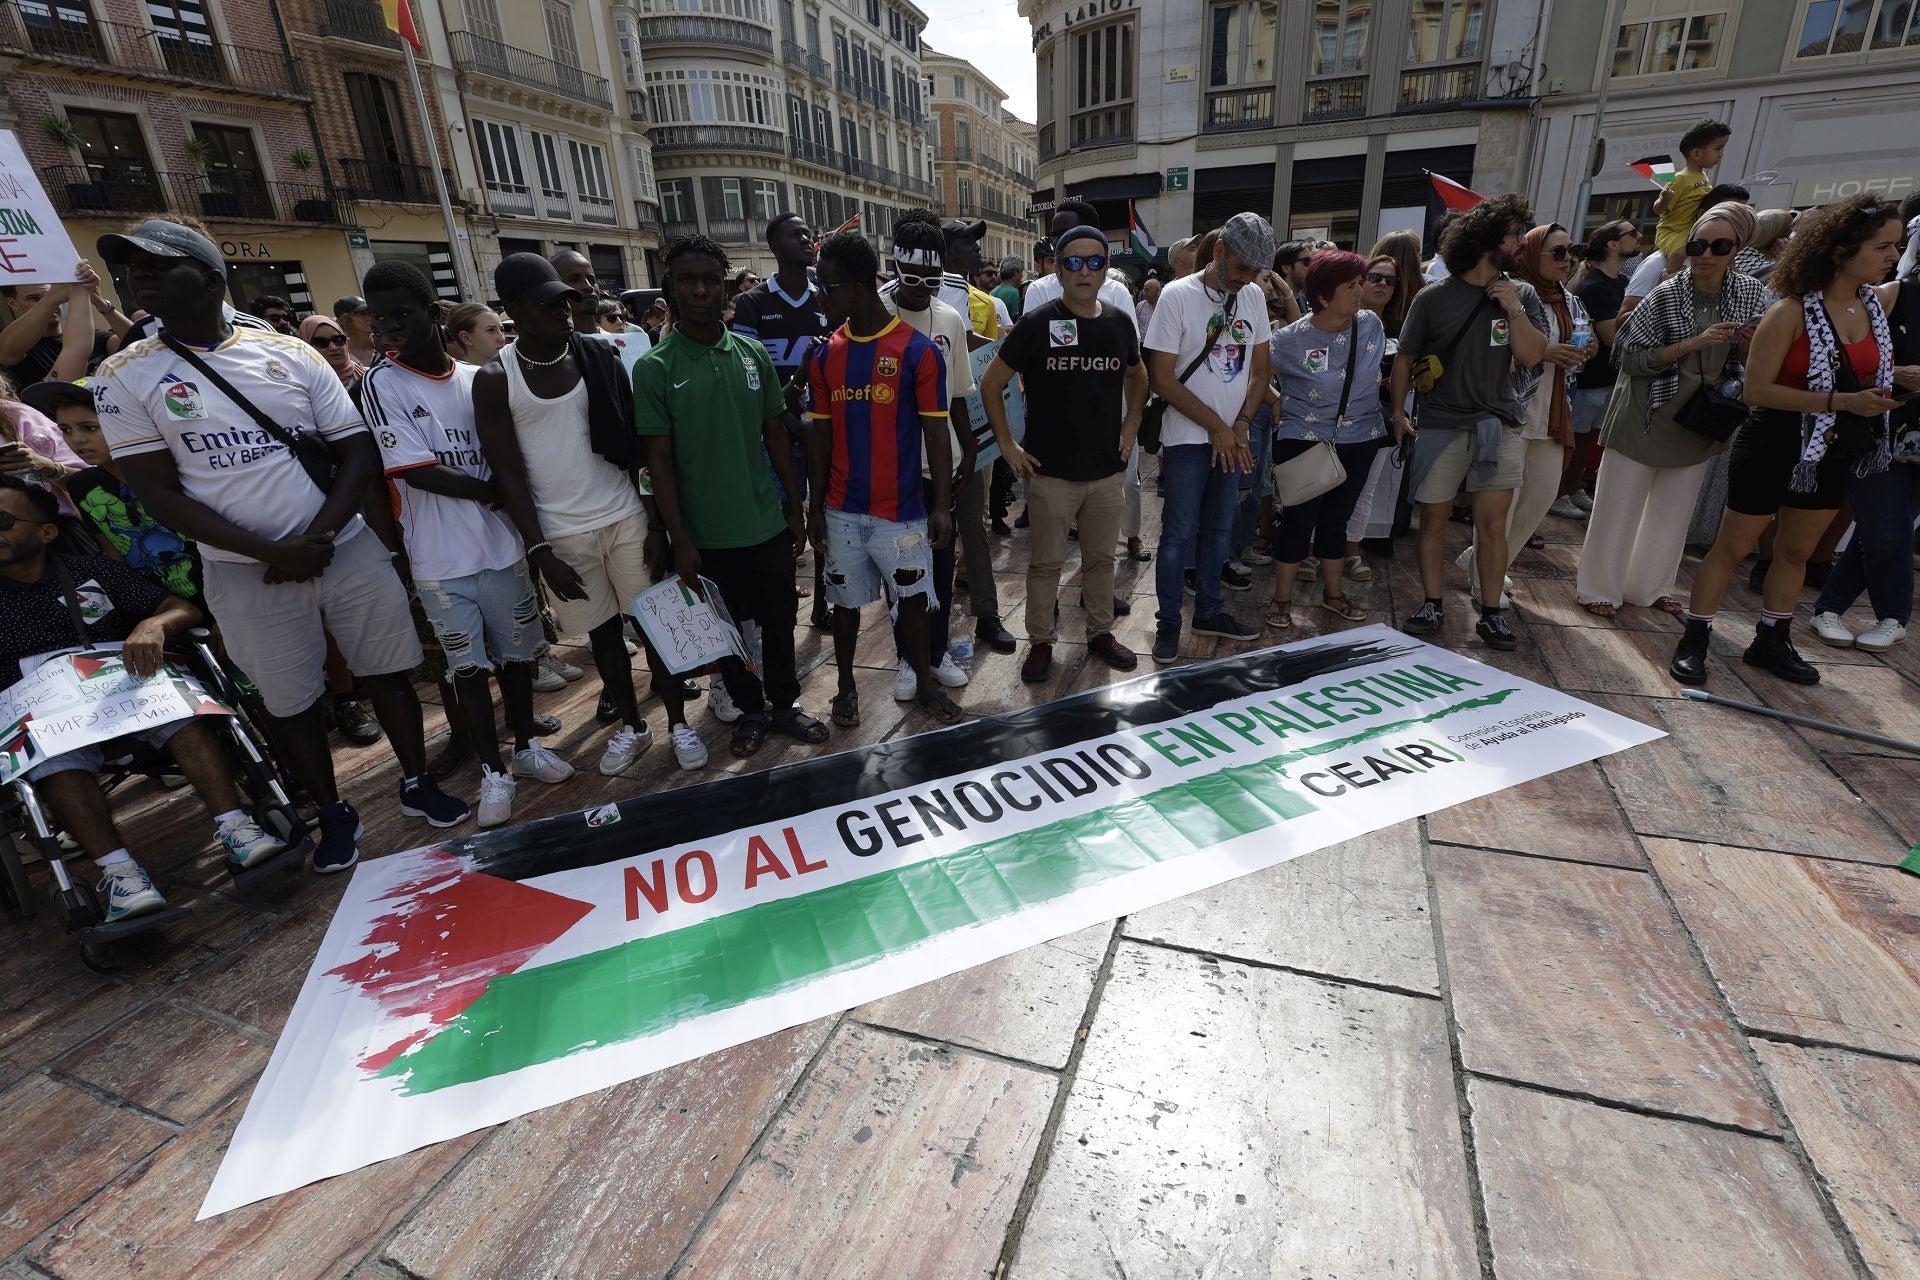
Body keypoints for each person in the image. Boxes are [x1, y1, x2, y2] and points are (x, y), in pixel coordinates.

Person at [94, 220, 465, 874]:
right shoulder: (124, 375)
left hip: (342, 548)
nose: (140, 276)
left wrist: (317, 537)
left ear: (211, 277)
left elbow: (355, 452)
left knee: (389, 673)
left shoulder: (289, 355)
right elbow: (159, 493)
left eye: (158, 264)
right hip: (245, 573)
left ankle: (417, 781)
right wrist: (271, 552)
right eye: (132, 269)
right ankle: (331, 812)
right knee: (289, 701)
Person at [0, 477, 289, 920]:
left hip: (121, 683)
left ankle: (237, 827)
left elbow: (182, 608)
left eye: (4, 520)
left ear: (46, 532)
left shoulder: (92, 573)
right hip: (40, 705)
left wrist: (153, 625)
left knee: (182, 714)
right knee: (54, 763)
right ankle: (121, 875)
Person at [360, 261, 574, 829]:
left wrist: (512, 502)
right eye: (378, 317)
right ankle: (492, 771)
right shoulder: (382, 383)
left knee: (518, 660)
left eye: (401, 314)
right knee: (468, 673)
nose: (388, 327)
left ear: (433, 315)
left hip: (502, 551)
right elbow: (414, 469)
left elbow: (510, 451)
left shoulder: (477, 377)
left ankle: (524, 748)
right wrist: (494, 491)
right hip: (440, 562)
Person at [1670, 194, 1905, 685]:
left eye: (1897, 246)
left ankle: (1772, 639)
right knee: (1733, 549)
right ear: (1842, 250)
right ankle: (1696, 638)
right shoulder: (1790, 310)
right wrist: (1844, 402)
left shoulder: (1876, 304)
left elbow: (1856, 370)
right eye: (1883, 246)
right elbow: (1758, 391)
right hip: (1776, 441)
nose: (1893, 256)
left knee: (1795, 552)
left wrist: (1888, 385)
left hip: (1833, 448)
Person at [475, 253, 692, 772]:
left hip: (624, 517)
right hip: (562, 534)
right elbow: (508, 475)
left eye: (566, 300)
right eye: (547, 302)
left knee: (659, 626)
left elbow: (637, 447)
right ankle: (634, 728)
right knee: (603, 637)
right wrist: (539, 551)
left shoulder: (599, 355)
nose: (562, 309)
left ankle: (680, 724)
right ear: (513, 309)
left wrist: (656, 522)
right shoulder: (494, 378)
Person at [638, 235, 828, 756]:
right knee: (726, 632)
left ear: (723, 288)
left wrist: (795, 506)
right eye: (688, 281)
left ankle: (785, 703)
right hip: (704, 532)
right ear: (671, 290)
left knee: (780, 618)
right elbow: (657, 461)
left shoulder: (750, 354)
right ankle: (749, 709)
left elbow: (774, 432)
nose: (700, 290)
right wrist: (678, 536)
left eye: (710, 280)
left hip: (765, 520)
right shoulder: (654, 368)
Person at [1576, 203, 1768, 620]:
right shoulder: (1665, 293)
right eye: (1698, 243)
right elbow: (1627, 358)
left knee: (1673, 514)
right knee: (1617, 509)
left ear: (1738, 248)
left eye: (1719, 245)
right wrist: (1692, 344)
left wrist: (1749, 342)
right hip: (1646, 414)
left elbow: (1759, 357)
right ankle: (1599, 588)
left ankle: (1650, 587)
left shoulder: (1752, 292)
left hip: (1703, 418)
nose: (1705, 254)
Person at [804, 231, 960, 726]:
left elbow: (938, 434)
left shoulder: (917, 351)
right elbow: (820, 440)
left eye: (824, 287)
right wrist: (814, 507)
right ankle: (846, 689)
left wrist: (939, 505)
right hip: (843, 510)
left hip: (903, 511)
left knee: (914, 602)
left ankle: (926, 683)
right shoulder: (826, 354)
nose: (819, 296)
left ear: (854, 288)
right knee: (844, 606)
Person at [982, 223, 1144, 680]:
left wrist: (1131, 424)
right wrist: (1007, 444)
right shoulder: (1037, 323)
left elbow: (1139, 376)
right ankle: (1040, 643)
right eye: (1073, 262)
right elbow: (991, 383)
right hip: (1050, 472)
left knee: (1100, 561)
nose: (1084, 271)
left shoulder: (1117, 322)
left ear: (1106, 269)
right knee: (1046, 564)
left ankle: (1099, 633)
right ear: (1058, 268)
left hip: (1105, 471)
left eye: (1095, 261)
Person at [1389, 193, 1548, 651]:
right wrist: (1399, 413)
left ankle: (1492, 611)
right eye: (1516, 234)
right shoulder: (1434, 297)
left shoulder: (1521, 294)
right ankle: (1432, 601)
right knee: (1434, 519)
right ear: (1488, 239)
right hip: (1439, 423)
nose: (1522, 244)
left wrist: (1512, 307)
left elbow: (1533, 355)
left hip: (1498, 424)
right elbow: (1405, 359)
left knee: (1492, 525)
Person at [1144, 211, 1273, 664]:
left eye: (1254, 273)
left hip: (1232, 437)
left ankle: (1210, 611)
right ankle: (1169, 623)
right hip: (1186, 439)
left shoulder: (1252, 296)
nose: (1245, 280)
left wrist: (1238, 426)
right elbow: (1162, 378)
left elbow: (1260, 371)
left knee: (1220, 528)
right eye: (1240, 269)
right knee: (1179, 532)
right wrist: (1218, 427)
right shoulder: (1177, 297)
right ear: (1218, 251)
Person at [1262, 250, 1399, 629]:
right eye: (1351, 286)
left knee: (1337, 520)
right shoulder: (1288, 339)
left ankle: (1333, 595)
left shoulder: (1370, 325)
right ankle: (1281, 600)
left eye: (1361, 284)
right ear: (1322, 296)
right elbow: (1256, 377)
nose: (1361, 292)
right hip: (1304, 440)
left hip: (1362, 438)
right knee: (1298, 521)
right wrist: (1274, 400)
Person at [1457, 223, 1591, 592]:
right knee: (1501, 507)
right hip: (1511, 410)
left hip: (1552, 413)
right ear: (1532, 253)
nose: (1567, 261)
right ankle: (1484, 584)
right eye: (1558, 252)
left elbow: (1582, 341)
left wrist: (1584, 350)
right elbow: (1487, 353)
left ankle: (1490, 566)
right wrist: (1541, 352)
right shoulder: (1506, 293)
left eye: (1570, 252)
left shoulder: (1571, 300)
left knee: (1539, 498)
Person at [880, 214, 976, 701]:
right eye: (910, 279)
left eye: (930, 281)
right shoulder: (873, 315)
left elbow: (959, 394)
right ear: (894, 265)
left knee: (939, 568)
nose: (920, 291)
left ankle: (935, 656)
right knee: (900, 572)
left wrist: (971, 447)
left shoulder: (950, 319)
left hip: (939, 467)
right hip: (889, 469)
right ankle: (906, 658)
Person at [1810, 232, 1920, 653]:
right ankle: (1895, 615)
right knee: (1889, 530)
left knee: (1879, 530)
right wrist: (1896, 373)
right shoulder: (1894, 295)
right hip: (1879, 432)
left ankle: (1830, 606)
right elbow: (1847, 356)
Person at [731, 212, 835, 631]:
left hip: (823, 433)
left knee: (824, 517)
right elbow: (751, 381)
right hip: (776, 435)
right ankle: (784, 604)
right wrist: (795, 427)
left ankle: (823, 603)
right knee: (784, 524)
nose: (807, 237)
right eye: (795, 234)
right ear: (774, 248)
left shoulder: (826, 298)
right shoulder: (753, 304)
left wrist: (820, 431)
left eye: (808, 231)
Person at [23, 379, 199, 599]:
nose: (77, 439)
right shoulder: (83, 486)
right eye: (65, 430)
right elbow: (115, 558)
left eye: (90, 428)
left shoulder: (177, 472)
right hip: (158, 605)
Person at [1558, 220, 1643, 517]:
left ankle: (1573, 486)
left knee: (1592, 437)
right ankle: (1560, 492)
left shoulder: (1619, 284)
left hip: (1608, 375)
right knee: (1577, 437)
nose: (1640, 237)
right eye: (1632, 234)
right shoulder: (1593, 286)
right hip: (1589, 377)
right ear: (1613, 244)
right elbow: (1611, 336)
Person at [1652, 121, 1731, 261]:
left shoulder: (1703, 176)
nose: (1722, 154)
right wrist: (1665, 198)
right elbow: (1658, 210)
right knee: (1679, 254)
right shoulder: (1679, 178)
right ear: (1696, 153)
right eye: (1718, 149)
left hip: (1692, 231)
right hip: (1673, 232)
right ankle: (1668, 276)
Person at [300, 314, 366, 386]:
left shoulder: (367, 375)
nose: (333, 347)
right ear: (308, 347)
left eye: (338, 339)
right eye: (321, 342)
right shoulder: (304, 386)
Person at [333, 295, 377, 369]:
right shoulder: (338, 352)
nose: (369, 317)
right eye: (362, 314)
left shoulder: (384, 345)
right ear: (346, 320)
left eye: (370, 312)